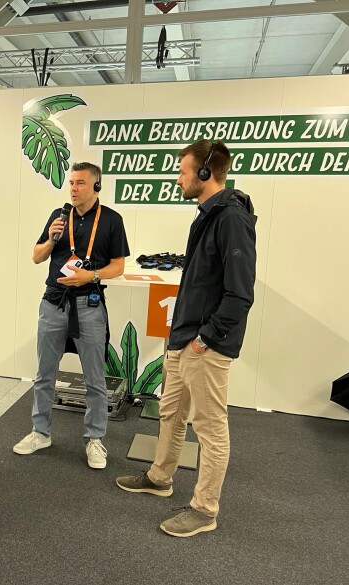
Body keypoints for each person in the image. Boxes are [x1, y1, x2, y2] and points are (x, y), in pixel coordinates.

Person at [115, 139, 256, 538]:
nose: (178, 179)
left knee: (210, 428)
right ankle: (160, 478)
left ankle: (204, 509)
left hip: (205, 345)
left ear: (205, 174)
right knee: (171, 413)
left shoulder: (231, 219)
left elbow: (240, 294)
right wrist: (182, 340)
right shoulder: (207, 215)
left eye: (183, 172)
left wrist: (205, 340)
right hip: (184, 338)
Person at [14, 162, 129, 470]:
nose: (74, 189)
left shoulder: (111, 220)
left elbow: (118, 265)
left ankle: (94, 439)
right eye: (72, 183)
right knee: (45, 373)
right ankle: (40, 432)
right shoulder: (59, 216)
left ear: (96, 186)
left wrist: (90, 276)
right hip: (54, 303)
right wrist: (52, 239)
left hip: (89, 304)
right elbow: (37, 256)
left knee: (94, 377)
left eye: (80, 183)